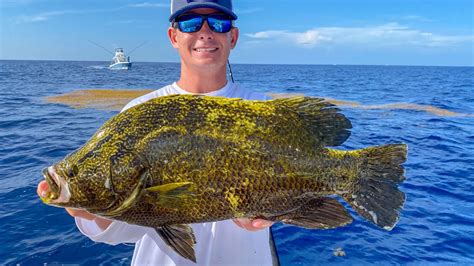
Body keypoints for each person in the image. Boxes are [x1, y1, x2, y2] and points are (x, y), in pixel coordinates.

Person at [37, 0, 277, 265]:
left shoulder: (265, 110)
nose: (205, 32)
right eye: (190, 23)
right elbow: (125, 233)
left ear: (233, 36)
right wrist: (92, 212)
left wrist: (273, 209)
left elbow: (294, 180)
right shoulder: (139, 110)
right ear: (174, 36)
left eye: (219, 22)